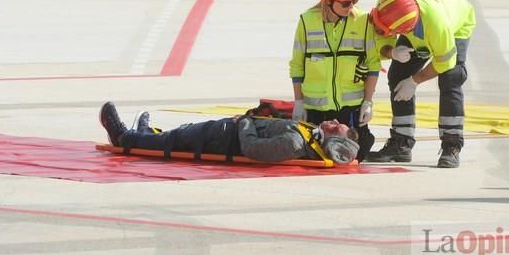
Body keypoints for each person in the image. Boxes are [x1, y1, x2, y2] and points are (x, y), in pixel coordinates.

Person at [365, 0, 476, 168]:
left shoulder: (438, 27)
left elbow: (444, 61)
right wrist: (392, 51)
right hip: (419, 21)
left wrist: (414, 80)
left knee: (451, 78)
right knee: (398, 73)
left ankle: (451, 145)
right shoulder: (388, 4)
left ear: (406, 28)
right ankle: (401, 143)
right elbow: (381, 35)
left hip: (456, 23)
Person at [289, 0, 393, 161]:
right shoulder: (306, 21)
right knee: (316, 157)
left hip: (350, 110)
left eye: (355, 1)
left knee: (356, 156)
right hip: (315, 110)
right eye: (346, 3)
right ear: (328, 1)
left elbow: (373, 64)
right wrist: (299, 102)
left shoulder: (363, 21)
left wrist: (368, 102)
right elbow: (297, 65)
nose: (351, 6)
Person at [98, 102, 360, 165]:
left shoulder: (294, 143)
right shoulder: (308, 136)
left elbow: (251, 149)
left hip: (224, 139)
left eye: (337, 127)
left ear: (332, 139)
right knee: (180, 133)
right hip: (226, 132)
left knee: (175, 141)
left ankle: (124, 138)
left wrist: (245, 121)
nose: (334, 121)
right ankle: (145, 134)